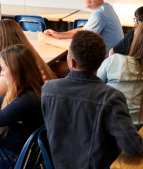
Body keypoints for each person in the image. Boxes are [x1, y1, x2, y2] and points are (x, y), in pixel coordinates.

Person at [42, 30, 143, 168]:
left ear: (71, 62)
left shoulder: (48, 90)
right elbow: (133, 148)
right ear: (101, 62)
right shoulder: (111, 98)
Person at [38, 0, 124, 76]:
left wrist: (48, 40)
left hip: (101, 69)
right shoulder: (106, 8)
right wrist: (60, 34)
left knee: (49, 68)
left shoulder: (98, 15)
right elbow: (85, 29)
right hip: (111, 65)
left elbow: (77, 47)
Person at [98, 24, 143, 128]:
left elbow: (93, 87)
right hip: (139, 128)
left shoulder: (115, 60)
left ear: (134, 41)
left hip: (110, 124)